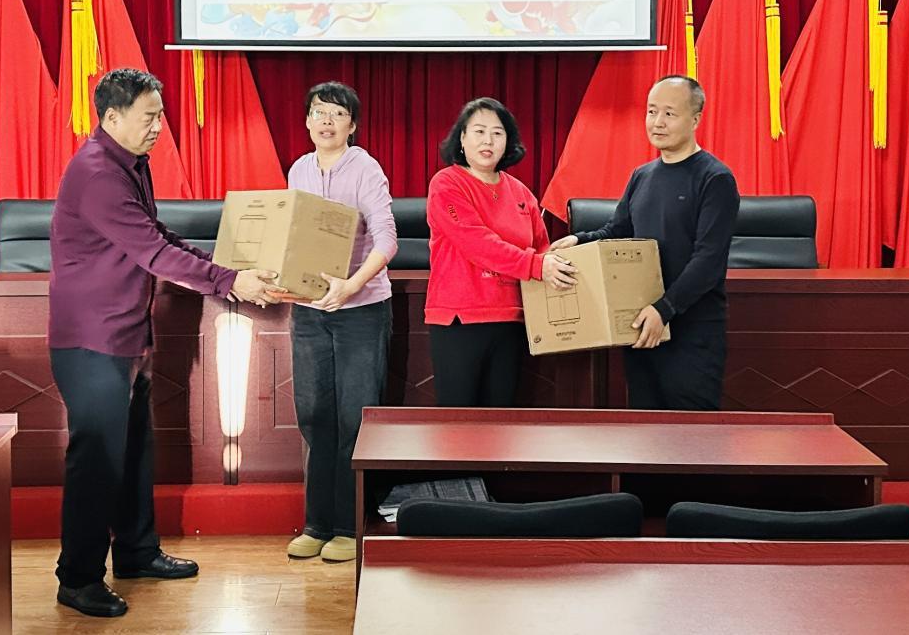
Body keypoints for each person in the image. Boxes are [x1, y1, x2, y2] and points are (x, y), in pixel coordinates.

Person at [48, 68, 282, 618]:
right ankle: (77, 578)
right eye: (148, 116)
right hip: (92, 341)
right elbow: (153, 254)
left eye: (160, 115)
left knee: (133, 453)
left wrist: (224, 266)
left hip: (127, 334)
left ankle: (135, 552)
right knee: (97, 461)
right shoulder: (98, 172)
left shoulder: (131, 163)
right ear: (111, 117)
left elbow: (158, 236)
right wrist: (230, 281)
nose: (158, 126)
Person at [552, 75, 739, 410]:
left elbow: (708, 260)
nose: (657, 122)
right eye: (652, 111)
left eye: (669, 113)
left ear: (695, 119)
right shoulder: (642, 175)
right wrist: (578, 240)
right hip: (639, 323)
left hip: (690, 328)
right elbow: (617, 230)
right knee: (645, 425)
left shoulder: (715, 179)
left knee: (691, 430)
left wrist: (664, 309)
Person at [284, 81, 398, 564]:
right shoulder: (299, 169)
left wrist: (351, 285)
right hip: (310, 311)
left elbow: (387, 238)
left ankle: (350, 526)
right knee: (313, 415)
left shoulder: (365, 168)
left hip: (361, 310)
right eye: (318, 112)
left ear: (352, 124)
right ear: (307, 121)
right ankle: (316, 524)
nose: (326, 120)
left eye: (337, 113)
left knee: (355, 418)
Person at [425, 97, 576, 406]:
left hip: (512, 318)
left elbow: (541, 247)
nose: (488, 141)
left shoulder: (521, 193)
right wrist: (537, 265)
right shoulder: (447, 183)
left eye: (497, 133)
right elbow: (477, 243)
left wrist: (555, 260)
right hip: (459, 319)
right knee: (457, 422)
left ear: (508, 141)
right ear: (462, 138)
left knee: (502, 420)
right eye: (479, 131)